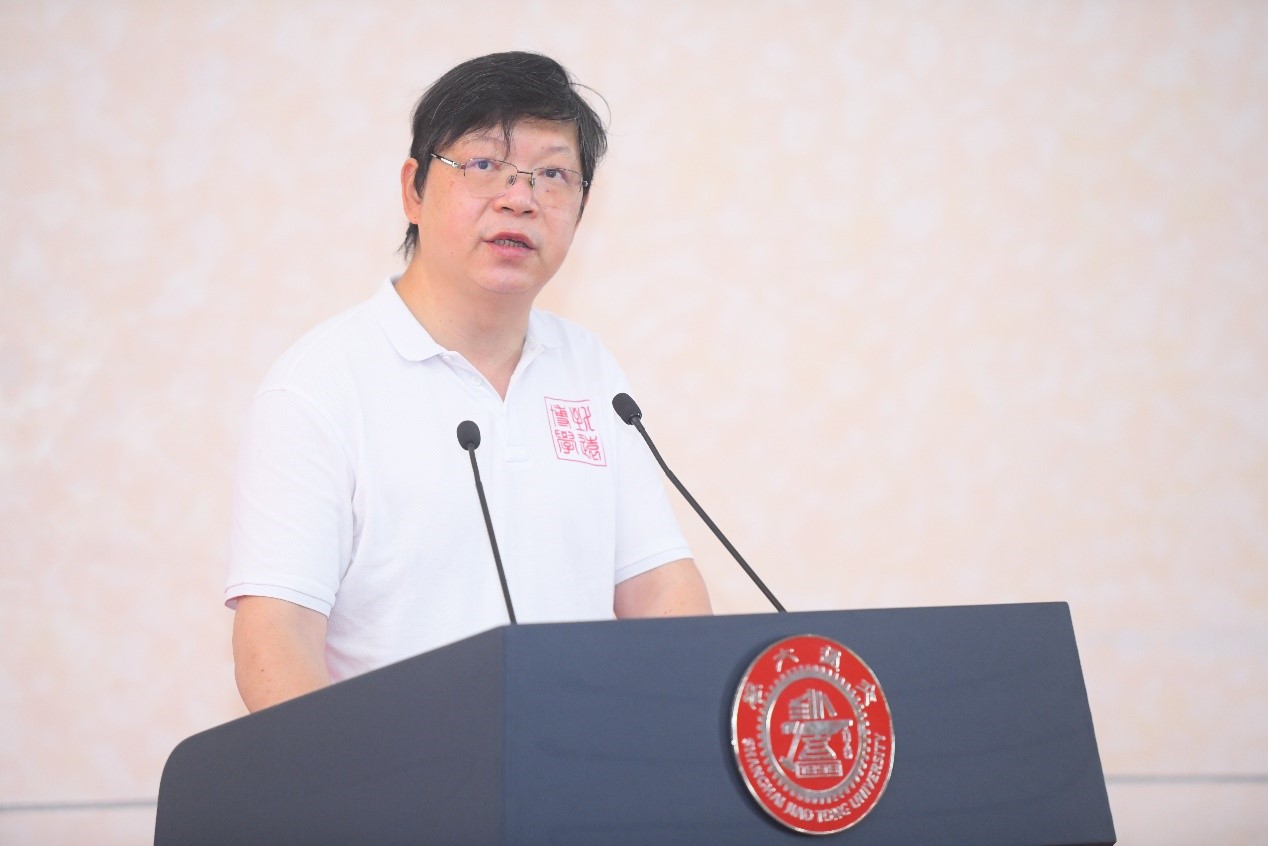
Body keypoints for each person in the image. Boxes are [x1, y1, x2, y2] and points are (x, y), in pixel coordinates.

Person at [226, 52, 711, 713]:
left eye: (553, 174)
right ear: (414, 190)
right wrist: (349, 775)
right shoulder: (320, 386)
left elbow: (660, 590)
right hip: (394, 772)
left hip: (582, 767)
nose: (520, 198)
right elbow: (276, 638)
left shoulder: (590, 369)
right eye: (484, 164)